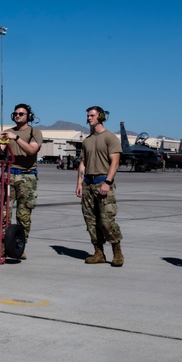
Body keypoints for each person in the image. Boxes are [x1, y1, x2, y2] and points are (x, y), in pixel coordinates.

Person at [76, 106, 124, 266]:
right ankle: (99, 253)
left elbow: (115, 162)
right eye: (88, 115)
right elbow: (83, 163)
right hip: (88, 184)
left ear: (101, 117)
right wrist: (79, 183)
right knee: (91, 221)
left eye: (92, 115)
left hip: (103, 183)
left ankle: (117, 251)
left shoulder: (110, 138)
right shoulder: (87, 141)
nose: (88, 118)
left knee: (106, 221)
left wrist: (107, 182)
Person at [1, 103, 43, 255]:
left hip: (27, 176)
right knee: (4, 213)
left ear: (28, 116)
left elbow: (31, 150)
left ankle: (19, 245)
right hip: (8, 174)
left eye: (21, 114)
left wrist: (16, 138)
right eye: (16, 114)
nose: (17, 116)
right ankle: (4, 246)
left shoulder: (34, 132)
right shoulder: (8, 132)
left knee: (23, 214)